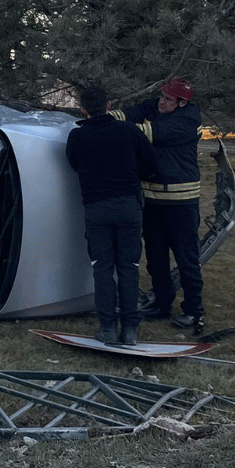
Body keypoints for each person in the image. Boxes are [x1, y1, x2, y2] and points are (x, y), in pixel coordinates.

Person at [66, 84, 158, 346]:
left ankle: (107, 328)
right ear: (109, 106)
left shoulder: (77, 137)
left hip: (97, 207)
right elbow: (153, 164)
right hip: (129, 205)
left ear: (82, 110)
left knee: (103, 269)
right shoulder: (128, 130)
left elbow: (74, 164)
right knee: (129, 267)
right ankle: (129, 329)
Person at [110, 78, 204, 331]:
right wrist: (104, 116)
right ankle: (162, 304)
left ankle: (194, 310)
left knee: (186, 259)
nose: (161, 102)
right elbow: (128, 113)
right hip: (152, 200)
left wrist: (106, 127)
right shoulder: (156, 106)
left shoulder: (188, 120)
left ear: (182, 103)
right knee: (155, 257)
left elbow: (146, 133)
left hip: (181, 202)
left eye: (168, 99)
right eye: (161, 96)